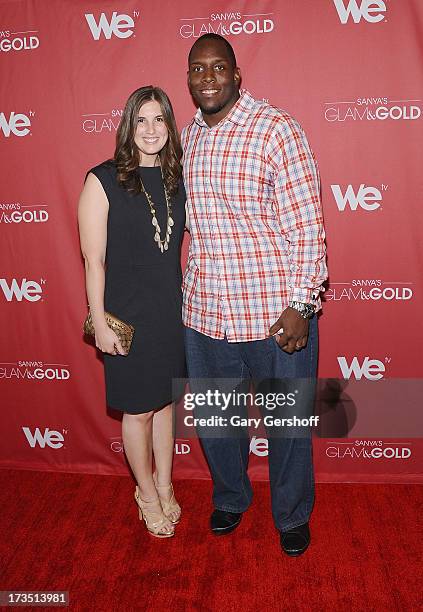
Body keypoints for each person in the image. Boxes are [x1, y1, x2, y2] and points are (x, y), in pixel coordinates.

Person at [182, 34, 328, 556]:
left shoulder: (277, 129)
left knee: (288, 425)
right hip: (206, 313)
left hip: (273, 314)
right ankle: (230, 497)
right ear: (190, 77)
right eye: (198, 69)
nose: (208, 77)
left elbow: (307, 226)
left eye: (218, 67)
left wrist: (303, 304)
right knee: (217, 421)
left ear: (237, 74)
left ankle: (291, 514)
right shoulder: (189, 135)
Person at [78, 86, 186, 538]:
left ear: (169, 126)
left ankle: (164, 483)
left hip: (169, 314)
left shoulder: (176, 179)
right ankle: (144, 493)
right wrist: (99, 321)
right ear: (127, 126)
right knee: (138, 412)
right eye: (141, 120)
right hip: (127, 320)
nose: (150, 130)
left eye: (159, 119)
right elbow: (93, 261)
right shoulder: (102, 180)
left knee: (163, 408)